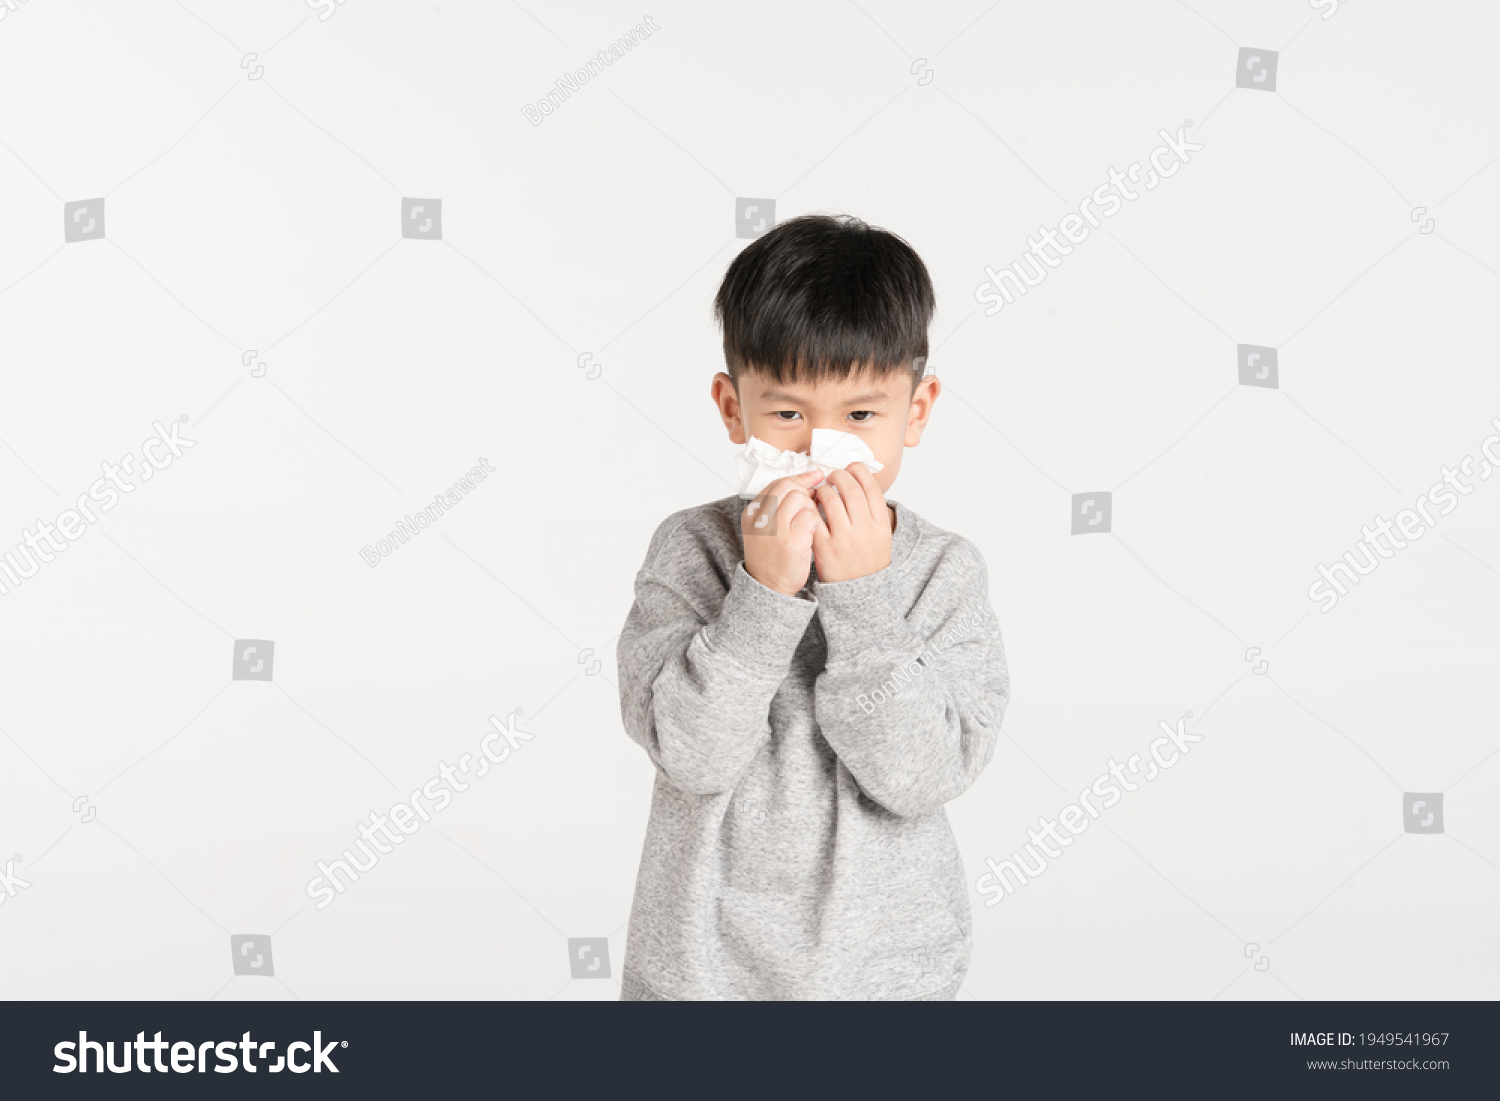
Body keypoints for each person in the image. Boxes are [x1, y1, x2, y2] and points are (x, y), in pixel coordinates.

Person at [615, 214, 1010, 1000]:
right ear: (734, 409)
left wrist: (863, 598)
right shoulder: (690, 551)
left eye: (861, 416)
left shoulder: (942, 571)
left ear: (917, 410)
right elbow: (689, 753)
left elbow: (922, 776)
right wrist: (762, 595)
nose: (821, 450)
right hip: (701, 971)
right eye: (788, 415)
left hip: (887, 975)